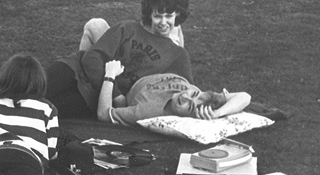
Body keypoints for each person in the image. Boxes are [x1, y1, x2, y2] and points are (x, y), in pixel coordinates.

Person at [45, 0, 192, 119]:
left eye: (168, 16)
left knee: (45, 108)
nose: (163, 22)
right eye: (158, 16)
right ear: (149, 15)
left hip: (96, 96)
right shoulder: (128, 29)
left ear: (177, 14)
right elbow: (92, 58)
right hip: (77, 70)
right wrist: (117, 95)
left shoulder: (177, 55)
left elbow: (186, 91)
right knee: (34, 87)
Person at [97, 60, 252, 125]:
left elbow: (104, 114)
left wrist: (110, 75)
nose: (185, 96)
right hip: (163, 63)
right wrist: (218, 113)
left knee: (95, 26)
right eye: (193, 94)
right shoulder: (204, 98)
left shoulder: (147, 111)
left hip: (128, 76)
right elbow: (245, 97)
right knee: (172, 22)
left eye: (189, 106)